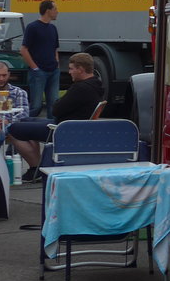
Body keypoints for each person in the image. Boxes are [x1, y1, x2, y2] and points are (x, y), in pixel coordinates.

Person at [9, 52, 103, 183]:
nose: (69, 72)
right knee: (24, 121)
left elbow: (56, 110)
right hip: (73, 126)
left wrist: (59, 103)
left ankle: (36, 168)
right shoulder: (96, 85)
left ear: (80, 69)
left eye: (71, 69)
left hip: (64, 130)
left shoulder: (81, 88)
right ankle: (36, 166)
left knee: (13, 129)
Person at [21, 0, 60, 118]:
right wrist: (35, 68)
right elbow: (24, 49)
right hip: (39, 72)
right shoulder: (33, 27)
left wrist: (57, 64)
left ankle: (51, 127)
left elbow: (55, 48)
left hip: (53, 71)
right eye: (55, 9)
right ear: (48, 11)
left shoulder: (53, 28)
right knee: (36, 106)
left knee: (54, 105)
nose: (57, 12)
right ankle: (26, 125)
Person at [0, 61, 29, 148]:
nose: (1, 79)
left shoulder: (19, 92)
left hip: (9, 125)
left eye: (4, 75)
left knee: (0, 133)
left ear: (9, 75)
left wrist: (8, 121)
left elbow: (24, 114)